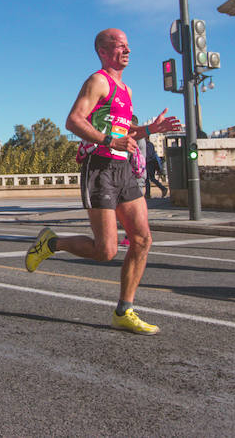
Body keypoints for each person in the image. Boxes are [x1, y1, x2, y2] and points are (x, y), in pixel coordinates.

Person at [24, 28, 181, 335]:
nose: (128, 51)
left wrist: (150, 129)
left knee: (142, 239)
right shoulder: (98, 81)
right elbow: (74, 120)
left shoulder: (127, 90)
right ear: (103, 51)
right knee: (105, 251)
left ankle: (124, 310)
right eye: (120, 46)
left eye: (128, 46)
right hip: (99, 168)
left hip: (123, 170)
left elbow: (125, 133)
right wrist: (110, 140)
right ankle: (50, 243)